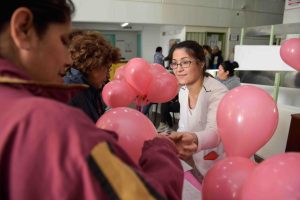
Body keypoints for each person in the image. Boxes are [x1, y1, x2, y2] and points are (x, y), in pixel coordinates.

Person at [0, 1, 184, 199]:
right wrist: (162, 149)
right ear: (23, 28)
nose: (68, 60)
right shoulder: (54, 120)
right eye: (63, 41)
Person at [166, 40, 228, 177]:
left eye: (185, 62)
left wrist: (192, 138)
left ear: (201, 63)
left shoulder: (218, 92)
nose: (178, 69)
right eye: (174, 63)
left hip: (222, 165)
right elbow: (183, 126)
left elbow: (216, 133)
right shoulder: (183, 91)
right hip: (197, 162)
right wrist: (174, 139)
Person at [66, 30, 120, 122]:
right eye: (107, 68)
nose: (108, 75)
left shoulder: (91, 88)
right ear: (93, 65)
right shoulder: (73, 91)